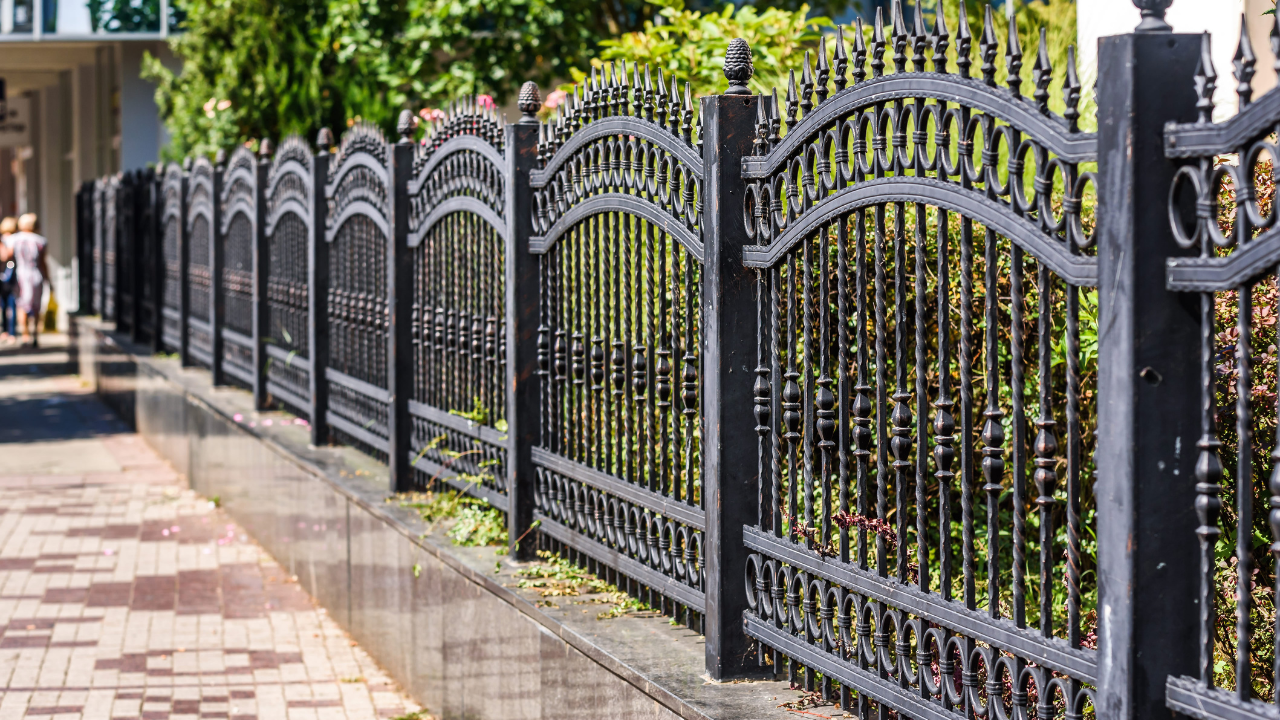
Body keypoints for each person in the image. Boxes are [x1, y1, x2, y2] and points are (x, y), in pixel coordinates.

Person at [8, 214, 49, 348]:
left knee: (21, 306)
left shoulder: (14, 239)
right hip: (35, 274)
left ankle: (25, 335)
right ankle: (35, 335)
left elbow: (7, 257)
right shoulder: (40, 241)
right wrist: (48, 279)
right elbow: (43, 263)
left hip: (20, 274)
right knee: (36, 306)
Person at [0, 217, 14, 343]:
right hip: (10, 275)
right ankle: (11, 332)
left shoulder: (5, 240)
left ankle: (7, 331)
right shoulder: (13, 239)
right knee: (11, 304)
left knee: (5, 304)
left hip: (5, 275)